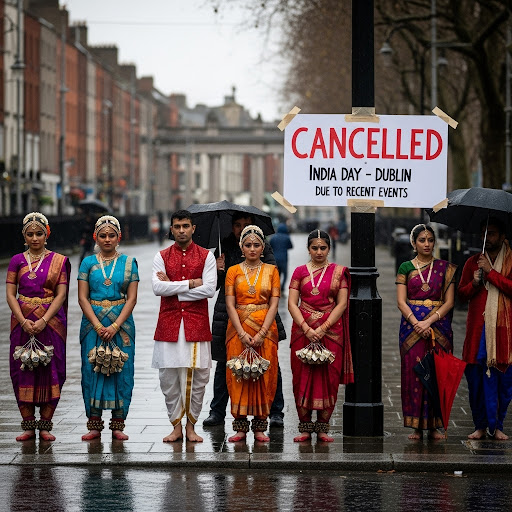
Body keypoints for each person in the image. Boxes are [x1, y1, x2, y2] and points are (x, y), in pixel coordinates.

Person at [204, 212, 286, 428]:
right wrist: (217, 268)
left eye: (245, 224)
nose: (241, 228)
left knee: (269, 363)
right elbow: (212, 286)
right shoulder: (224, 247)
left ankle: (276, 411)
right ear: (231, 227)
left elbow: (270, 279)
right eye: (237, 225)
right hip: (229, 313)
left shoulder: (262, 247)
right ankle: (217, 411)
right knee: (226, 363)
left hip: (263, 313)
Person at [152, 209, 217, 442]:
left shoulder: (206, 257)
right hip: (168, 324)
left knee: (197, 378)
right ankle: (176, 426)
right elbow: (158, 288)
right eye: (177, 226)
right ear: (171, 229)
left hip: (196, 325)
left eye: (186, 226)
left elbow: (209, 290)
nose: (181, 230)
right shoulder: (161, 256)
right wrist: (190, 284)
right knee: (168, 379)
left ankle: (191, 426)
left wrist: (174, 288)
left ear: (193, 228)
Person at [7, 212, 70, 442]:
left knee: (52, 368)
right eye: (30, 234)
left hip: (50, 322)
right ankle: (27, 425)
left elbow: (61, 294)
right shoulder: (16, 260)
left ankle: (45, 425)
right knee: (22, 368)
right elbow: (10, 294)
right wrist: (23, 320)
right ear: (24, 236)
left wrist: (43, 320)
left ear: (47, 234)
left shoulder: (59, 261)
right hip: (22, 323)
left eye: (39, 233)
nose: (35, 238)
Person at [288, 229, 353, 442]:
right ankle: (305, 428)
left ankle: (323, 427)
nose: (318, 252)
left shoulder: (339, 272)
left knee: (329, 378)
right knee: (301, 377)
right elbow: (292, 303)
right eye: (314, 248)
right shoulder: (299, 271)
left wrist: (323, 327)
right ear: (308, 249)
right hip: (303, 331)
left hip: (331, 331)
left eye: (323, 248)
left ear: (329, 249)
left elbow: (342, 303)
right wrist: (307, 328)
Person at [78, 215, 139, 441]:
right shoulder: (87, 263)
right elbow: (82, 298)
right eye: (102, 236)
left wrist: (114, 325)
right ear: (95, 237)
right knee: (91, 370)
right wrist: (97, 325)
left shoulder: (129, 263)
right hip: (92, 324)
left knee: (122, 371)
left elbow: (132, 299)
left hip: (121, 324)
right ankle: (94, 424)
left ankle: (118, 424)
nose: (107, 239)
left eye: (111, 235)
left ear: (118, 237)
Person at [396, 224, 457, 440]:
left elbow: (449, 302)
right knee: (414, 375)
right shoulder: (405, 267)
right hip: (412, 330)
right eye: (422, 240)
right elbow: (401, 302)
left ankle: (434, 426)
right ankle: (416, 426)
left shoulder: (446, 268)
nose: (427, 244)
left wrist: (429, 321)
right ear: (414, 243)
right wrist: (416, 323)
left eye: (430, 240)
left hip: (438, 327)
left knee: (437, 374)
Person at [458, 217, 512, 440]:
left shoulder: (510, 261)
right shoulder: (473, 262)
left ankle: (497, 425)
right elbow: (461, 294)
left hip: (502, 332)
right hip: (477, 332)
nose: (486, 238)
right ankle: (480, 425)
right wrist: (475, 283)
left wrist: (491, 273)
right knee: (476, 380)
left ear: (502, 236)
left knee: (503, 382)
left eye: (491, 234)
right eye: (483, 233)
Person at [225, 225, 280, 442]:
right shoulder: (233, 271)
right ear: (241, 247)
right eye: (248, 245)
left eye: (257, 245)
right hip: (238, 330)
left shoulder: (272, 271)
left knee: (265, 377)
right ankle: (240, 427)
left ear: (263, 247)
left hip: (265, 331)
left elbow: (274, 304)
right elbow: (230, 304)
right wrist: (241, 333)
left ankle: (259, 427)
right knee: (238, 376)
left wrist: (262, 332)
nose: (252, 249)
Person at [270, 222, 293, 292]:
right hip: (284, 259)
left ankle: (277, 286)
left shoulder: (273, 237)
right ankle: (282, 287)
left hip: (275, 258)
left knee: (277, 274)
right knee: (285, 274)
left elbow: (270, 246)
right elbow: (291, 246)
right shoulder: (287, 237)